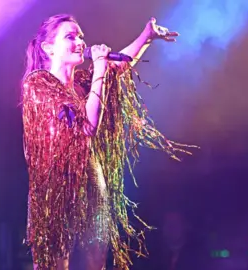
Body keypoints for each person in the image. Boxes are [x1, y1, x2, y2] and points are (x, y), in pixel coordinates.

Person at [21, 14, 192, 270]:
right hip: (56, 184)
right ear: (48, 47)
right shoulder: (39, 83)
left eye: (80, 36)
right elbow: (87, 126)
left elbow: (116, 68)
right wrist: (99, 66)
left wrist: (147, 35)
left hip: (91, 177)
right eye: (70, 36)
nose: (80, 41)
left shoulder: (82, 85)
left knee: (96, 260)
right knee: (54, 262)